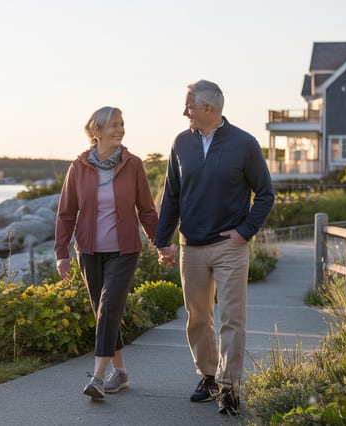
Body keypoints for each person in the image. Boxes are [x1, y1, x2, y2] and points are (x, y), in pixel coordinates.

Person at [155, 80, 274, 416]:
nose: (184, 112)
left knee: (232, 319)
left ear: (207, 108)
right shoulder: (181, 143)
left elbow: (265, 193)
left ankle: (229, 387)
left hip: (229, 246)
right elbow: (172, 195)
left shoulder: (244, 144)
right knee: (197, 317)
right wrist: (163, 240)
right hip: (191, 246)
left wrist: (245, 232)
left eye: (188, 106)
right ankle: (208, 376)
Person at [54, 106, 159, 400]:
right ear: (96, 131)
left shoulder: (133, 164)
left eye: (122, 124)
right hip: (88, 251)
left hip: (124, 250)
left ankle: (98, 377)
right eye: (114, 125)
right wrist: (61, 253)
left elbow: (147, 210)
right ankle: (121, 373)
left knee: (109, 305)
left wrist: (161, 242)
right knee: (103, 312)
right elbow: (66, 213)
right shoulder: (79, 166)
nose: (120, 129)